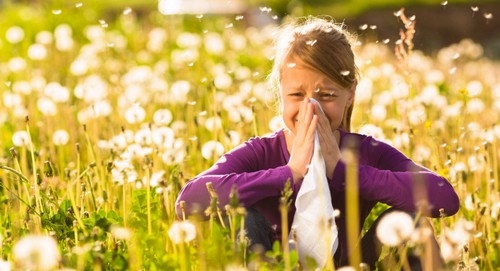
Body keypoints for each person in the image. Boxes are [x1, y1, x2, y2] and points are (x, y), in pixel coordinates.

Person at [175, 16, 460, 269]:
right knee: (243, 217)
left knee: (414, 223)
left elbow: (445, 198)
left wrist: (345, 171)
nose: (311, 108)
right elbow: (188, 202)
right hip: (270, 264)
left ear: (350, 95)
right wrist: (290, 174)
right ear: (280, 94)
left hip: (351, 266)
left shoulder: (364, 152)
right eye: (297, 95)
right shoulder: (261, 151)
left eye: (326, 95)